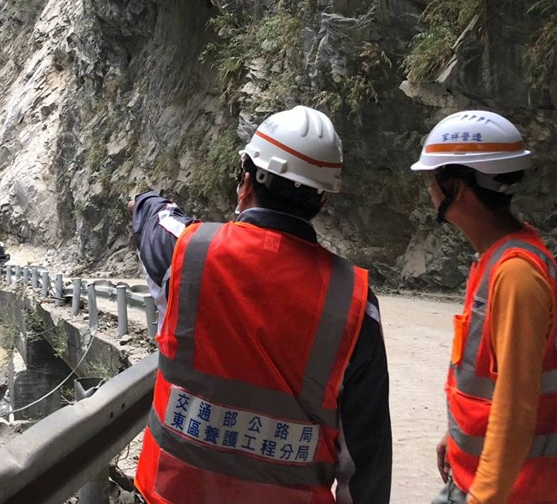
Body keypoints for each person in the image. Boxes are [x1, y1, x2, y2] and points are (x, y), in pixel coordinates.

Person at [128, 105, 392, 504]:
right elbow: (367, 453)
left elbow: (154, 221)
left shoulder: (191, 252)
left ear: (246, 180)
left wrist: (144, 199)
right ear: (321, 201)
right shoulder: (353, 300)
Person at [411, 110, 557, 504]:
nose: (429, 189)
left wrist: (483, 497)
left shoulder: (516, 275)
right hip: (489, 483)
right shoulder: (496, 261)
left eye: (431, 179)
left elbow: (517, 407)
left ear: (456, 186)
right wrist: (454, 439)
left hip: (512, 493)